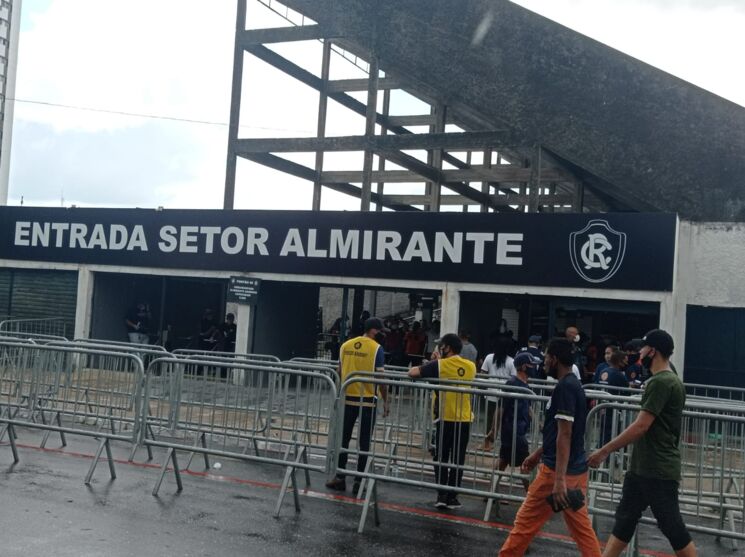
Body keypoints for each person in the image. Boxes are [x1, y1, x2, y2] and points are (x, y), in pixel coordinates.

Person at [588, 330, 696, 557]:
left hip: (658, 469)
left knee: (672, 526)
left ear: (653, 351)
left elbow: (641, 425)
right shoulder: (666, 380)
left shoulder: (662, 382)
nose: (640, 353)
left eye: (643, 348)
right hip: (643, 467)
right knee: (625, 519)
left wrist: (604, 450)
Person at [499, 338, 601, 557]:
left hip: (556, 473)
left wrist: (559, 480)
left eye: (546, 357)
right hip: (575, 471)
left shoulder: (565, 388)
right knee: (582, 530)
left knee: (525, 523)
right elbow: (557, 432)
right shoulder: (573, 385)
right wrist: (538, 453)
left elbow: (565, 434)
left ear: (555, 359)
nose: (543, 362)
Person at [408, 333, 477, 509]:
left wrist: (434, 362)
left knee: (441, 456)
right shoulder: (471, 366)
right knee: (458, 458)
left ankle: (442, 494)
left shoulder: (439, 365)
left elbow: (412, 372)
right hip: (464, 418)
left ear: (447, 348)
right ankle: (453, 497)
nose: (439, 348)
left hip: (444, 417)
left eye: (442, 346)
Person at [326, 317, 389, 494]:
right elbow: (381, 379)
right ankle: (359, 481)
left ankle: (340, 476)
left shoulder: (345, 345)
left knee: (343, 439)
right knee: (364, 442)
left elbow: (338, 372)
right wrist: (386, 400)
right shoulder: (377, 349)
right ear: (373, 331)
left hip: (347, 398)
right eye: (380, 331)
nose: (381, 334)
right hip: (367, 401)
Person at [489, 351, 536, 493]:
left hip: (518, 430)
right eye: (531, 365)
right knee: (525, 463)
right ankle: (530, 496)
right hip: (512, 431)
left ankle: (491, 492)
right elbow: (500, 409)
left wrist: (538, 423)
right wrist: (493, 430)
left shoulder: (525, 385)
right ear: (523, 367)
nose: (534, 368)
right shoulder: (512, 384)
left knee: (504, 461)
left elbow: (527, 407)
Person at [481, 337, 516, 445]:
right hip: (505, 394)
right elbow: (514, 378)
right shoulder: (511, 361)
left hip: (490, 392)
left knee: (490, 420)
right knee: (503, 420)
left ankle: (488, 442)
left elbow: (483, 374)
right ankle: (500, 442)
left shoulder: (489, 357)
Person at [594, 349, 630, 447]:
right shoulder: (619, 375)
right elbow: (627, 392)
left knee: (602, 433)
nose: (626, 363)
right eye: (625, 360)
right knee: (612, 434)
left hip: (602, 408)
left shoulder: (603, 371)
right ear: (619, 361)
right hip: (614, 410)